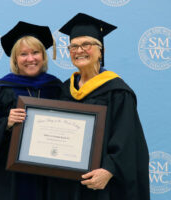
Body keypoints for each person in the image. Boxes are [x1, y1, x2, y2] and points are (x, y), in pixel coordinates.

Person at [46, 13, 150, 200]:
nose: (79, 50)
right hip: (67, 184)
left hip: (102, 186)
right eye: (74, 46)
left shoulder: (117, 91)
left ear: (100, 50)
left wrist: (110, 170)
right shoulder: (63, 90)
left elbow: (128, 139)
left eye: (87, 44)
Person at [0, 21, 62, 200]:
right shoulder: (2, 89)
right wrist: (5, 124)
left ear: (44, 56)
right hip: (10, 178)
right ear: (15, 59)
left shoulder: (56, 87)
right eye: (23, 54)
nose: (30, 58)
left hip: (50, 175)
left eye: (35, 52)